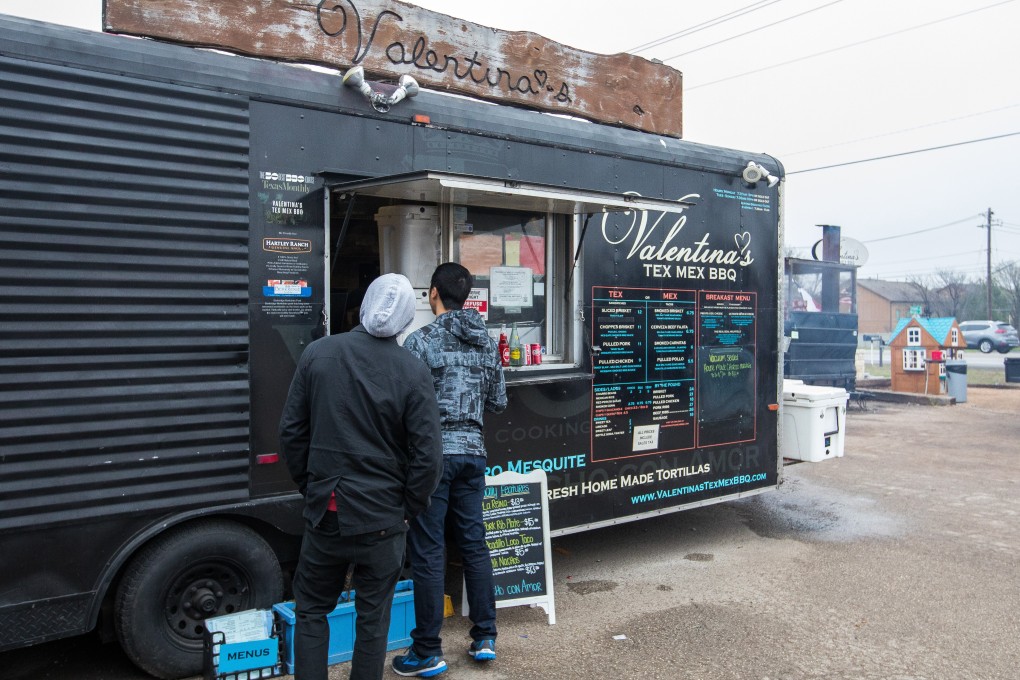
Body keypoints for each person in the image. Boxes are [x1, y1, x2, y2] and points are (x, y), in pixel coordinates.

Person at [280, 273, 443, 680]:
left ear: (365, 305)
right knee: (373, 620)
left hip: (326, 513)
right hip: (385, 520)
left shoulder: (318, 354)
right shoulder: (413, 370)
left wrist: (312, 487)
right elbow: (428, 457)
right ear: (407, 318)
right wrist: (409, 508)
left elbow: (291, 432)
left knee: (312, 610)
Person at [391, 263, 507, 677]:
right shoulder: (486, 341)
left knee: (427, 551)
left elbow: (400, 407)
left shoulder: (419, 342)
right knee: (474, 543)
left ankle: (426, 650)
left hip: (433, 456)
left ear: (433, 294)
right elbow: (497, 403)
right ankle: (485, 637)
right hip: (474, 454)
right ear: (468, 295)